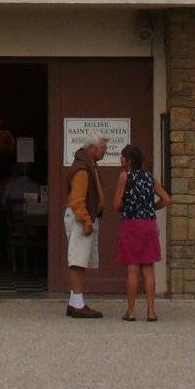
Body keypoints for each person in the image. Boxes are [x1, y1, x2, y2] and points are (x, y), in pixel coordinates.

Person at [111, 144, 170, 321]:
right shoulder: (149, 177)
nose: (120, 160)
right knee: (149, 268)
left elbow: (116, 204)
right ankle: (151, 312)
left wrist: (126, 207)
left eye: (123, 157)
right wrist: (152, 207)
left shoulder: (124, 176)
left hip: (132, 224)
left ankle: (130, 311)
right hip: (149, 224)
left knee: (132, 267)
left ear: (129, 161)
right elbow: (167, 199)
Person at [62, 136, 108, 319]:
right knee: (78, 260)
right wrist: (86, 220)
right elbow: (77, 199)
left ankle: (74, 302)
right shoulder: (82, 169)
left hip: (85, 217)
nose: (105, 150)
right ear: (92, 148)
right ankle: (78, 304)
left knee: (80, 259)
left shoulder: (88, 166)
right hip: (81, 218)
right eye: (103, 147)